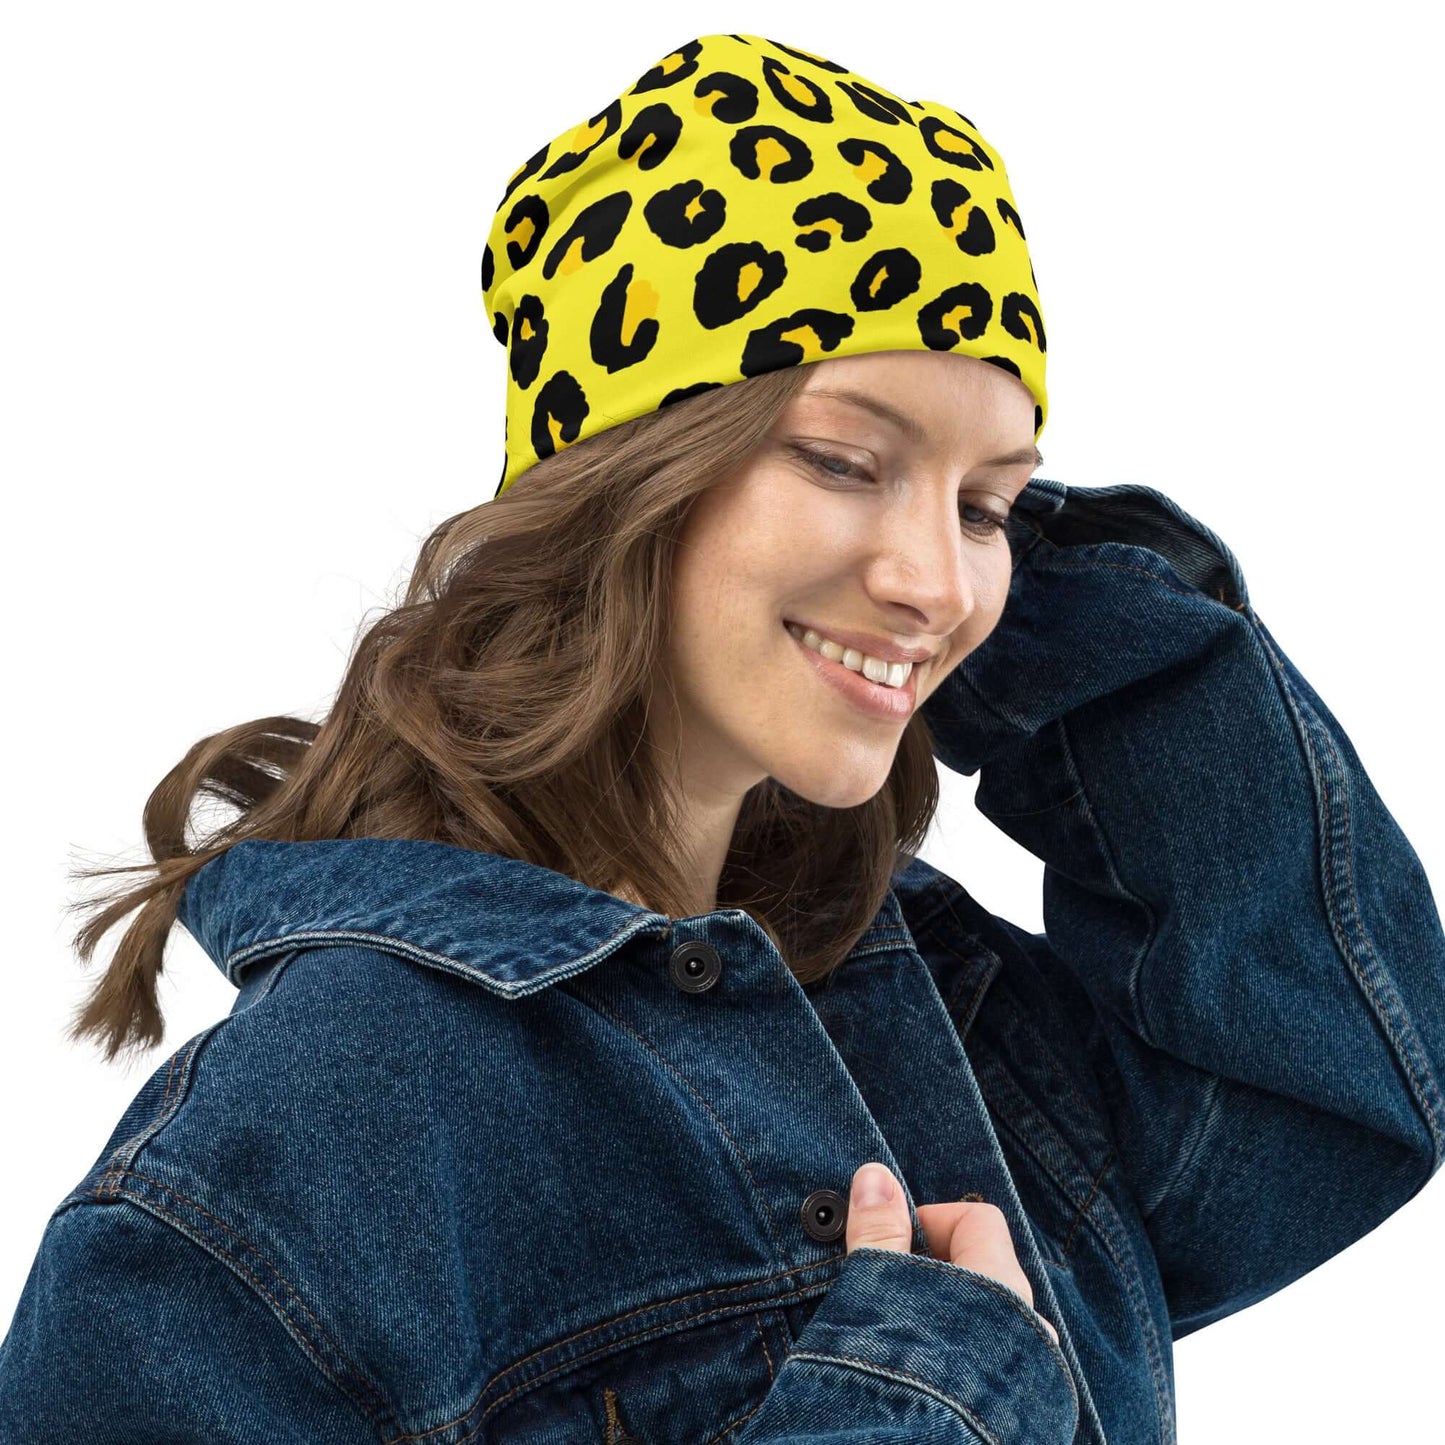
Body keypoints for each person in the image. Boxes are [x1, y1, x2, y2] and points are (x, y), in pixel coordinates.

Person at [1, 30, 1441, 1445]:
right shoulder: (276, 1164)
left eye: (985, 506)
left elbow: (1327, 1087)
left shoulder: (910, 991)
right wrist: (915, 1401)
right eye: (842, 458)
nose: (941, 583)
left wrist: (985, 582)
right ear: (627, 477)